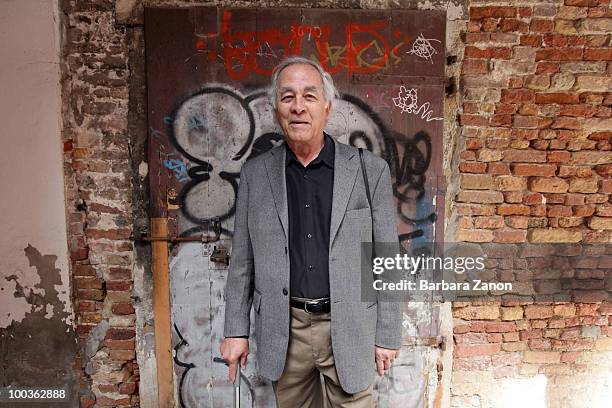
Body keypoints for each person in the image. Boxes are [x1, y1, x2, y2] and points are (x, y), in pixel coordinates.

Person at [220, 56, 402, 407]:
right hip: (285, 329)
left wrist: (388, 334)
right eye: (288, 97)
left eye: (309, 96)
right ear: (276, 109)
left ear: (327, 106)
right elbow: (242, 260)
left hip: (348, 325)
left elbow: (387, 259)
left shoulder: (369, 170)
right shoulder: (257, 175)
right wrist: (235, 331)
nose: (298, 107)